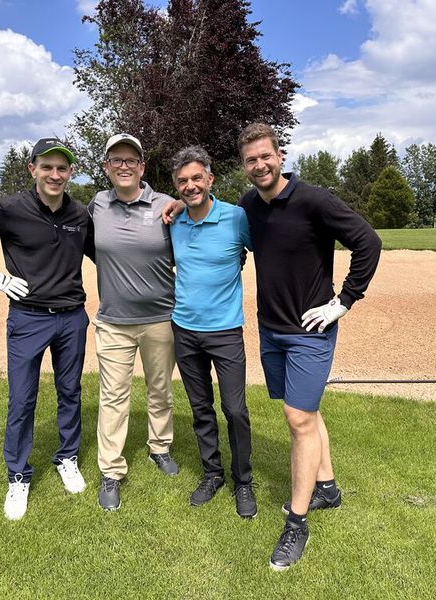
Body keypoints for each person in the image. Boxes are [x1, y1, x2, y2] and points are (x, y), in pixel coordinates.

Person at [237, 123, 382, 570]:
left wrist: (344, 302)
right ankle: (328, 489)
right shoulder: (247, 205)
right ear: (244, 167)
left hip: (311, 331)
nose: (260, 165)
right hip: (272, 328)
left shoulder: (314, 199)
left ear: (280, 155)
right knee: (307, 412)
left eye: (266, 156)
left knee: (297, 418)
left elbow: (368, 241)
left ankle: (296, 524)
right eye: (250, 160)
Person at [0, 138, 94, 521]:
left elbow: (107, 253)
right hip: (28, 318)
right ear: (32, 169)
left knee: (70, 392)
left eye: (62, 168)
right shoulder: (9, 209)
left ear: (70, 172)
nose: (55, 174)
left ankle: (67, 457)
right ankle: (18, 474)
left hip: (72, 317)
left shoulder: (80, 214)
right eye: (47, 167)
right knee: (23, 399)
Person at [87, 133, 179, 512]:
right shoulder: (96, 205)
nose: (124, 166)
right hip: (113, 321)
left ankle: (160, 447)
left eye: (131, 160)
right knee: (113, 397)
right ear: (107, 167)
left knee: (160, 390)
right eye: (116, 159)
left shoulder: (167, 206)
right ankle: (111, 470)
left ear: (142, 166)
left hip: (161, 318)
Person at [168, 146, 256, 518]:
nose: (190, 186)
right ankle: (212, 473)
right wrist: (175, 206)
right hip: (184, 329)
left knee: (235, 410)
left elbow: (261, 249)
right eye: (183, 181)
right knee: (200, 408)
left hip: (225, 331)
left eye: (196, 178)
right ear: (177, 186)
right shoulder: (174, 221)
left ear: (210, 179)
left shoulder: (236, 218)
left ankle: (243, 481)